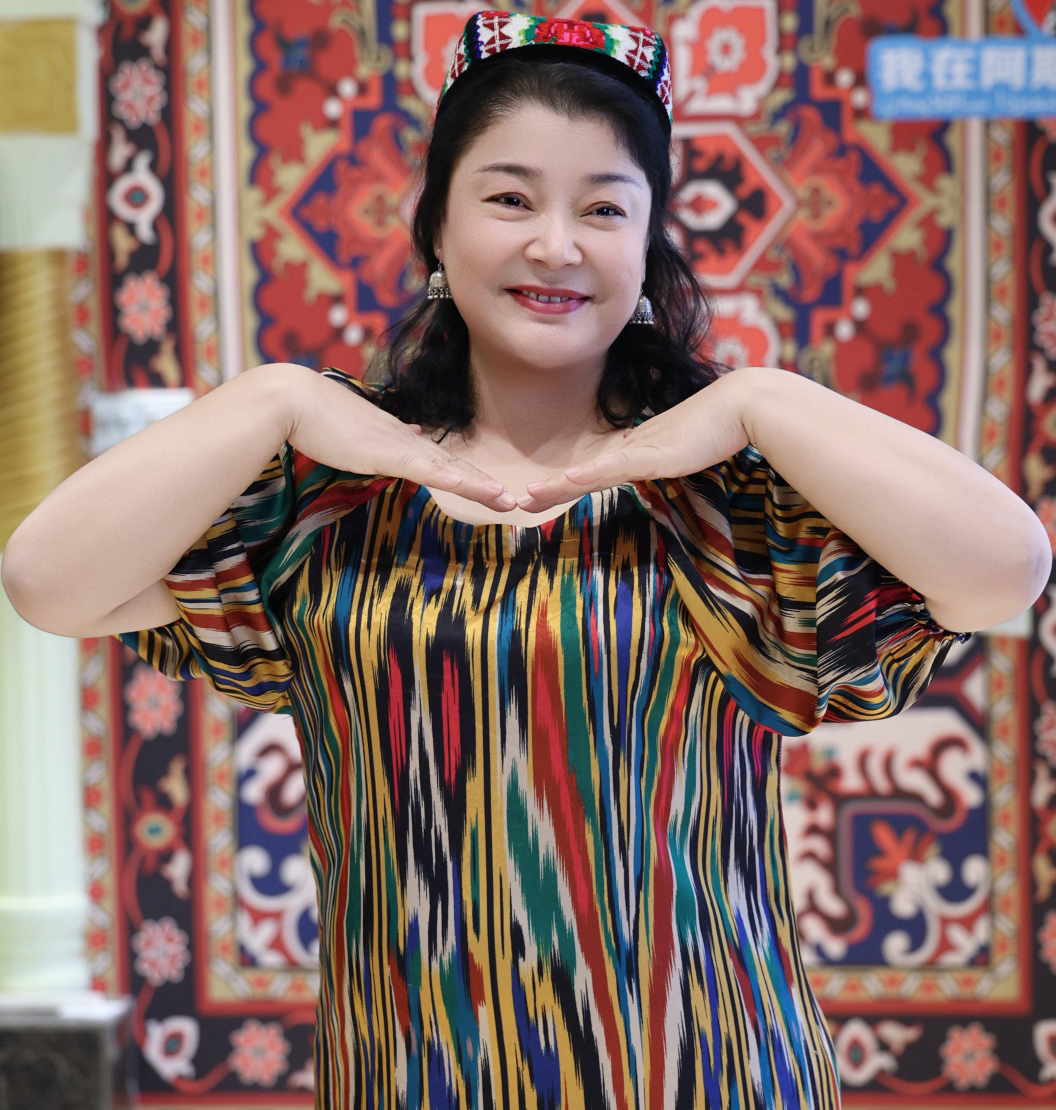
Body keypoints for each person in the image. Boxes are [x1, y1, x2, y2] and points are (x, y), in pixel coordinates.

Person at [2, 11, 1050, 1109]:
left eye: (604, 208)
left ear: (649, 243)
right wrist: (276, 396)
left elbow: (1003, 568)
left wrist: (756, 399)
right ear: (435, 226)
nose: (557, 245)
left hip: (707, 1074)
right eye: (510, 199)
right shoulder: (331, 495)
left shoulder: (726, 501)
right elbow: (48, 582)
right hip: (415, 1078)